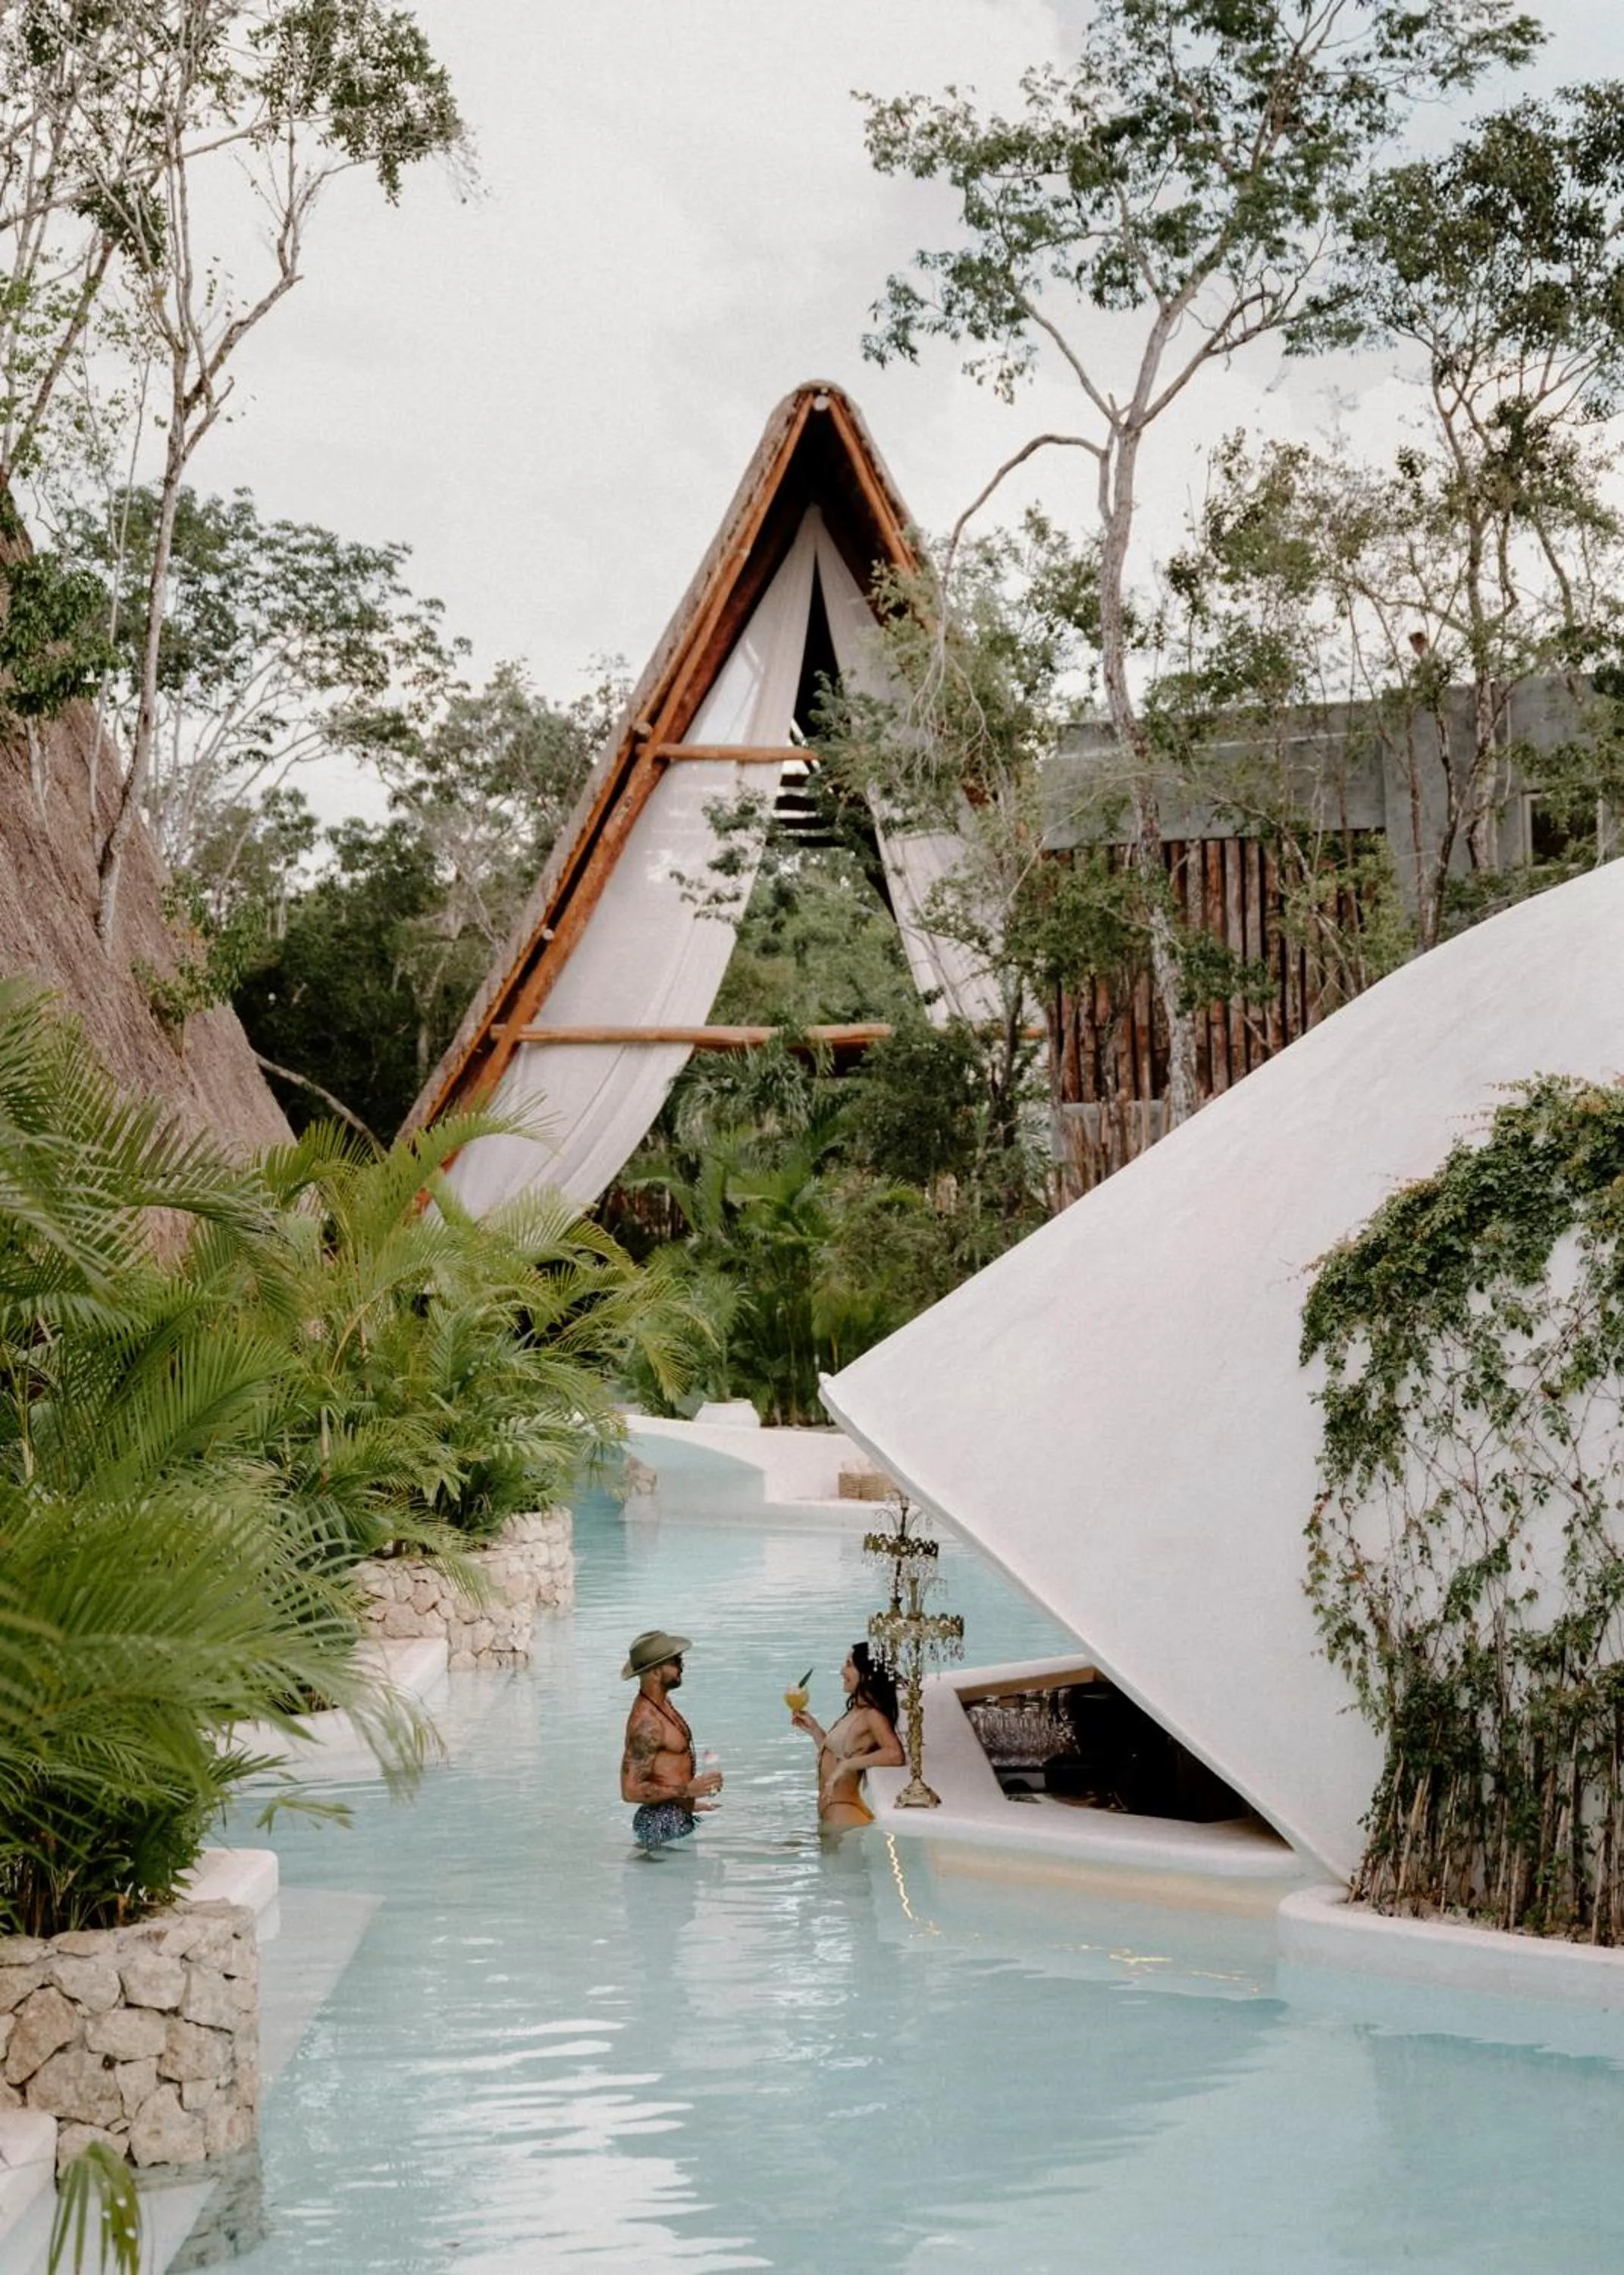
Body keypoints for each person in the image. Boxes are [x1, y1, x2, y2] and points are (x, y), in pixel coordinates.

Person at [620, 1628, 723, 1851]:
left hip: (672, 1817)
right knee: (669, 1883)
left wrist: (691, 1801)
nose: (681, 1667)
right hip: (662, 1823)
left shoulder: (662, 1706)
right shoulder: (646, 1723)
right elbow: (630, 1790)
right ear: (656, 1672)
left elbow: (664, 1771)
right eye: (675, 1661)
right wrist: (686, 1791)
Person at [792, 1643, 904, 1828]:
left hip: (844, 1814)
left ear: (867, 1675)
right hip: (834, 1811)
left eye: (849, 1665)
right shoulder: (856, 1711)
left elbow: (895, 1754)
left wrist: (848, 1765)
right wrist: (815, 1730)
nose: (842, 1671)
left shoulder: (872, 1716)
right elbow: (837, 1755)